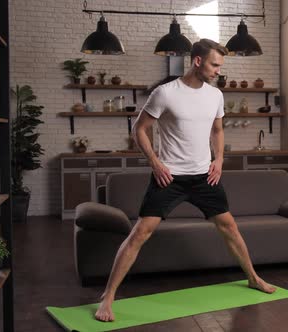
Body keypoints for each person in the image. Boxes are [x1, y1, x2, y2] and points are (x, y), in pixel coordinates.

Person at [94, 39, 276, 322]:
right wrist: (155, 163)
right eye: (215, 64)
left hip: (205, 176)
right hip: (170, 177)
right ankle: (107, 297)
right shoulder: (165, 93)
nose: (218, 71)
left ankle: (252, 277)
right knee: (140, 233)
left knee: (229, 227)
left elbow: (217, 130)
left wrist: (218, 160)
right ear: (198, 61)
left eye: (220, 66)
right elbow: (139, 129)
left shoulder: (215, 95)